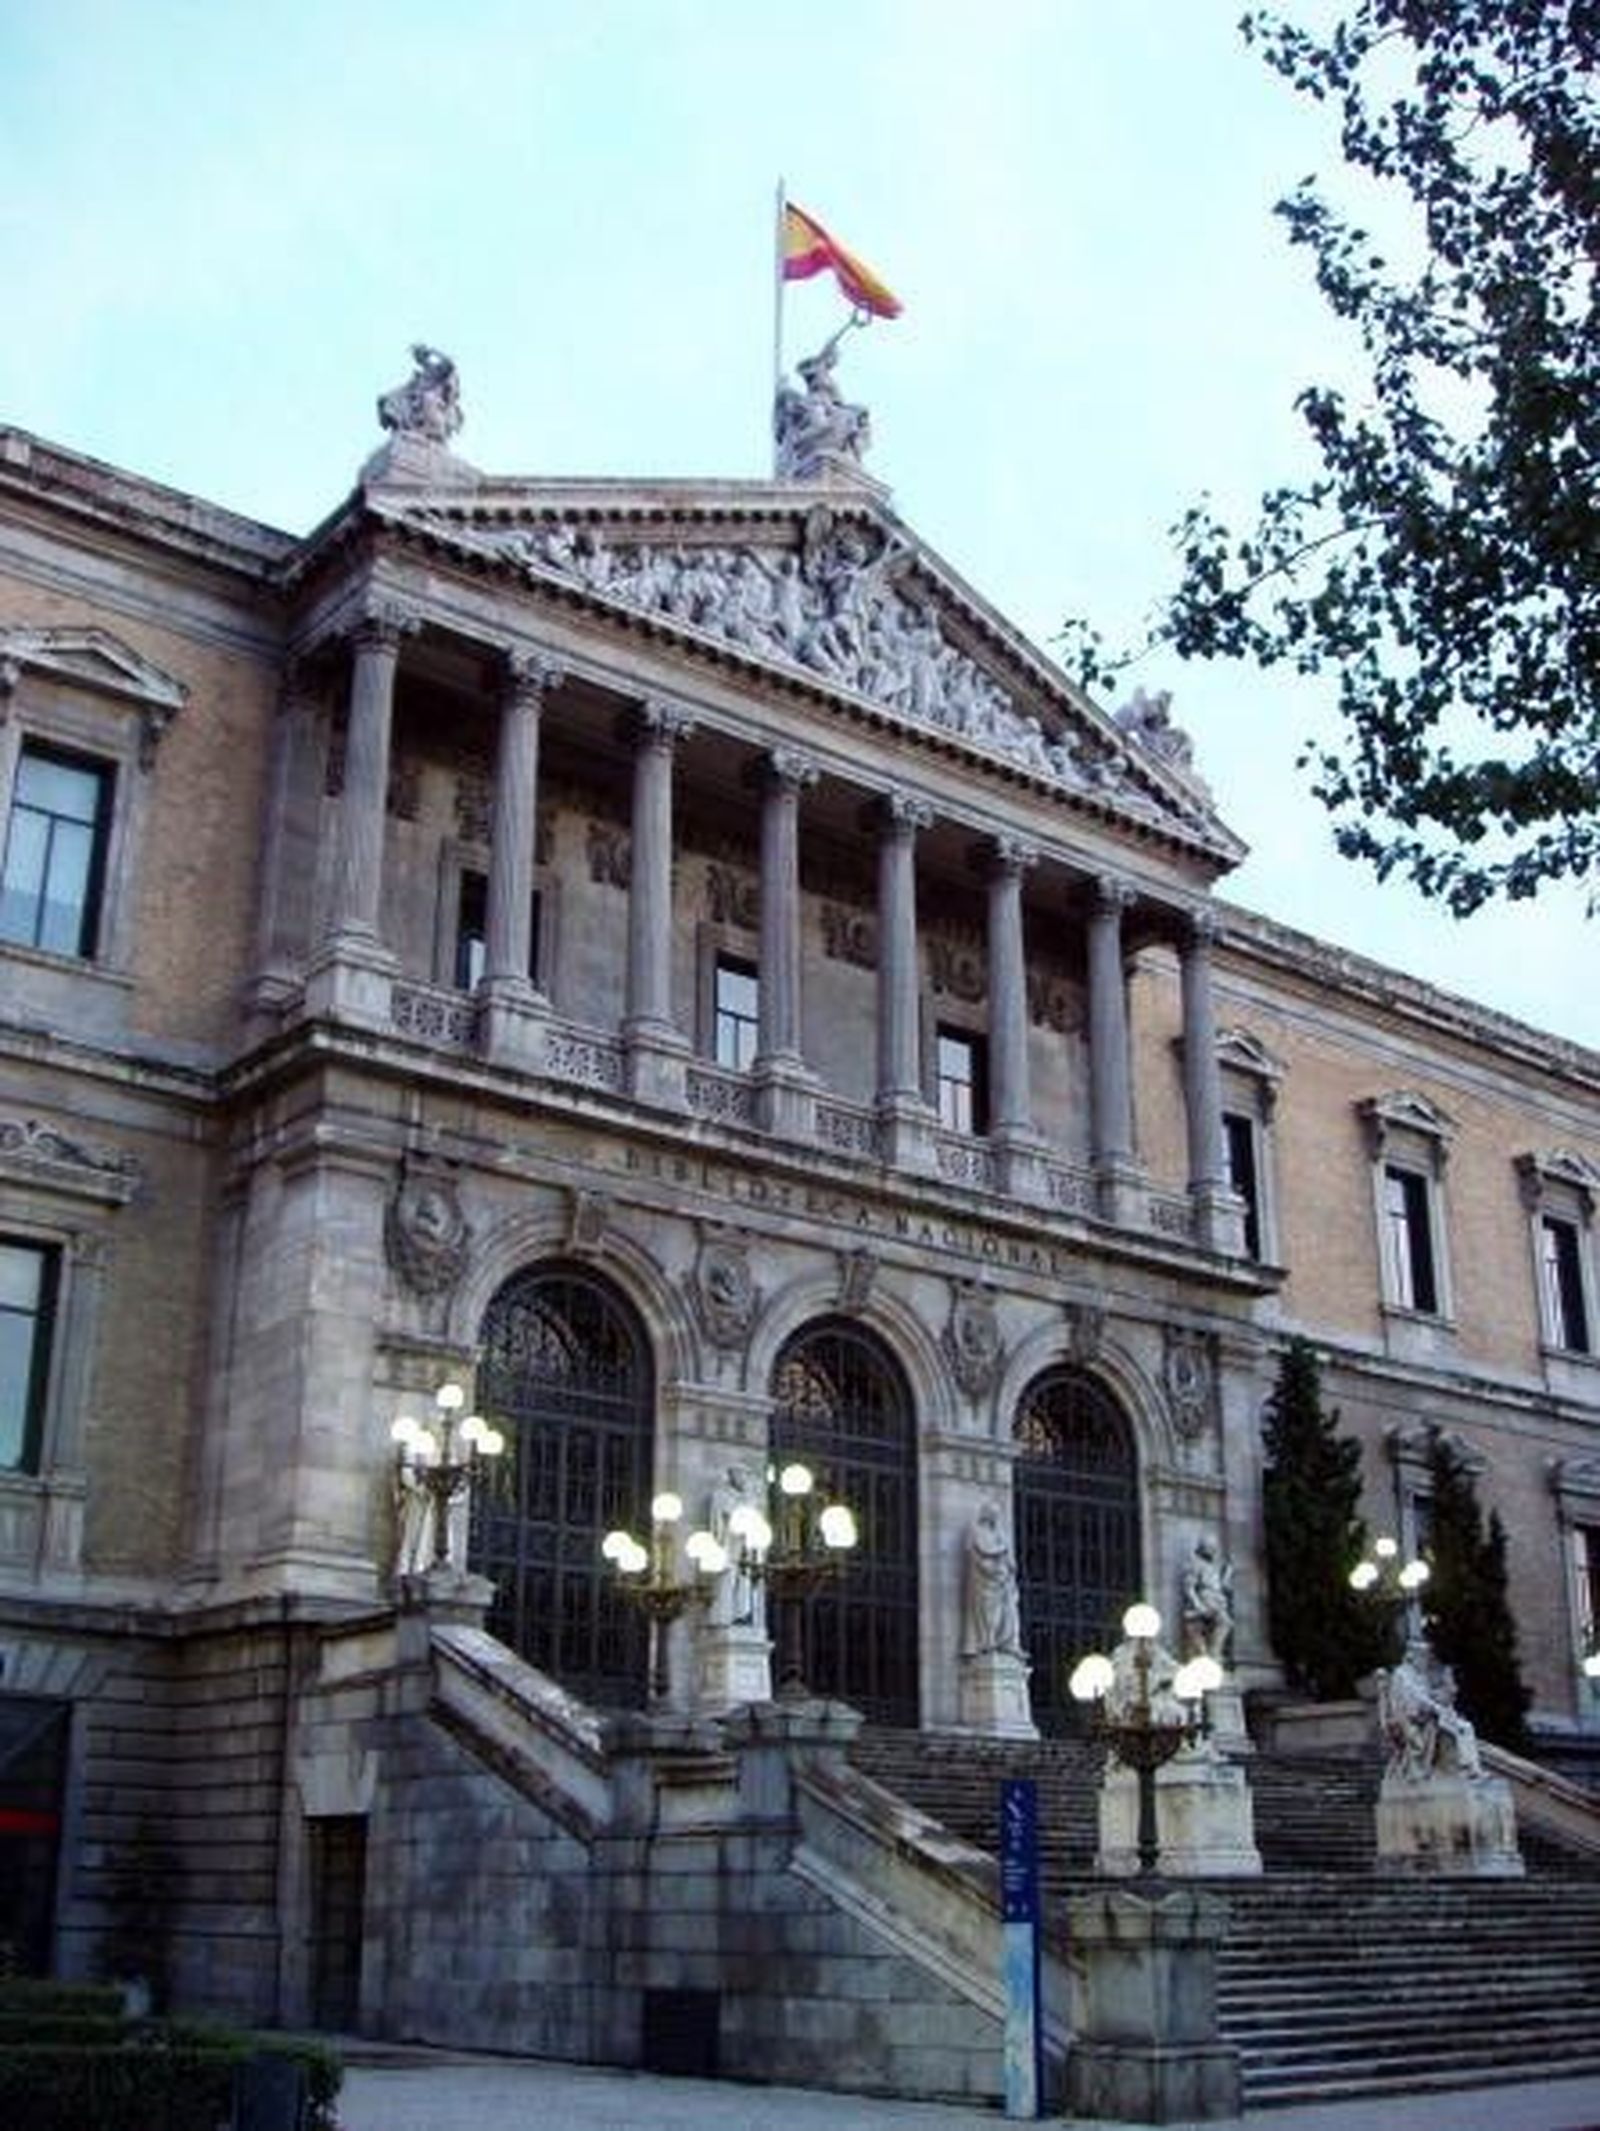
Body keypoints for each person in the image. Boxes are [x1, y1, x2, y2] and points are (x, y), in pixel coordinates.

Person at [1382, 1636, 1486, 1780]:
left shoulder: (1418, 1675)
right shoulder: (1402, 1674)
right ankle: (1461, 1766)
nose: (1425, 1661)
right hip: (1411, 1720)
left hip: (1426, 1716)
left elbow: (1426, 1696)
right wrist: (1435, 1706)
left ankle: (1470, 1766)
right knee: (1452, 1727)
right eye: (1422, 1656)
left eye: (1426, 1656)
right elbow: (1415, 1699)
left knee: (1466, 1727)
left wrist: (1438, 1697)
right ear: (1413, 1656)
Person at [961, 1500, 1024, 1659]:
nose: (996, 1517)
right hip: (987, 1581)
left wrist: (1008, 1567)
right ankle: (988, 1642)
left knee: (1009, 1613)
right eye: (993, 1514)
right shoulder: (976, 1532)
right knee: (988, 1614)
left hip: (1003, 1581)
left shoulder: (999, 1533)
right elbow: (980, 1553)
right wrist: (997, 1559)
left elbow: (1008, 1558)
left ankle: (1007, 1644)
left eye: (997, 1514)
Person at [706, 1464, 762, 1629]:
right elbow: (723, 1518)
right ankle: (725, 1616)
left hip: (747, 1547)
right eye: (741, 1475)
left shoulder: (750, 1498)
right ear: (733, 1476)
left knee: (746, 1579)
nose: (743, 1479)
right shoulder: (722, 1495)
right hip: (729, 1545)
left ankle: (743, 1613)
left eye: (746, 1475)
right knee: (727, 1579)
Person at [1180, 1536, 1235, 1666]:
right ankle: (1211, 1654)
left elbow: (1224, 1586)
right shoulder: (1196, 1564)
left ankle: (1214, 1653)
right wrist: (1198, 1605)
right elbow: (1189, 1588)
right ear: (1203, 1548)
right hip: (1206, 1601)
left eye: (1214, 1548)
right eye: (1210, 1548)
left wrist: (1228, 1572)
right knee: (1222, 1622)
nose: (1213, 1551)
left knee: (1226, 1623)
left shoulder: (1213, 1567)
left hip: (1218, 1601)